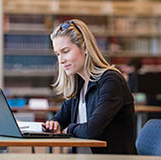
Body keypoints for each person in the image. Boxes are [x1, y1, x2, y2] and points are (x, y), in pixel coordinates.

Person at [43, 19, 137, 154]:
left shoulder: (111, 81)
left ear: (85, 48)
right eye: (58, 54)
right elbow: (60, 118)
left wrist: (68, 129)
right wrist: (54, 123)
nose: (61, 60)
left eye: (65, 51)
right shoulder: (79, 83)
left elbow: (91, 130)